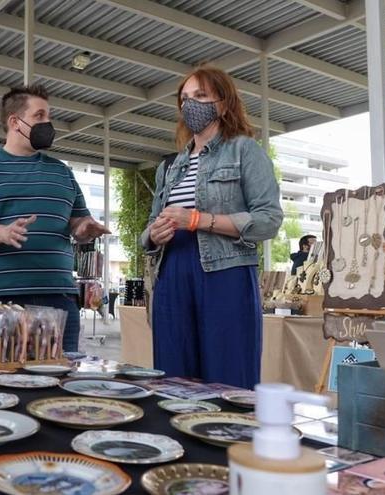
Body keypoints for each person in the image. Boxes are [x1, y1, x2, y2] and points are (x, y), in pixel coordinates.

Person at [141, 65, 283, 389]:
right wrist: (153, 234)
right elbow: (150, 226)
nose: (190, 104)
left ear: (223, 102)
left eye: (200, 96)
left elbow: (269, 219)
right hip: (172, 272)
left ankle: (228, 437)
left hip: (225, 273)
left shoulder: (245, 150)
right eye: (185, 98)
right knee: (173, 377)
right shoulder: (171, 166)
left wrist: (198, 220)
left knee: (228, 375)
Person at [0, 84, 109, 352]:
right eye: (40, 116)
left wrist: (84, 228)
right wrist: (1, 233)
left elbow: (77, 222)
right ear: (15, 122)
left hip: (59, 299)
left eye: (49, 117)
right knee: (0, 380)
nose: (48, 123)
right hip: (0, 302)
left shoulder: (62, 172)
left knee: (60, 380)